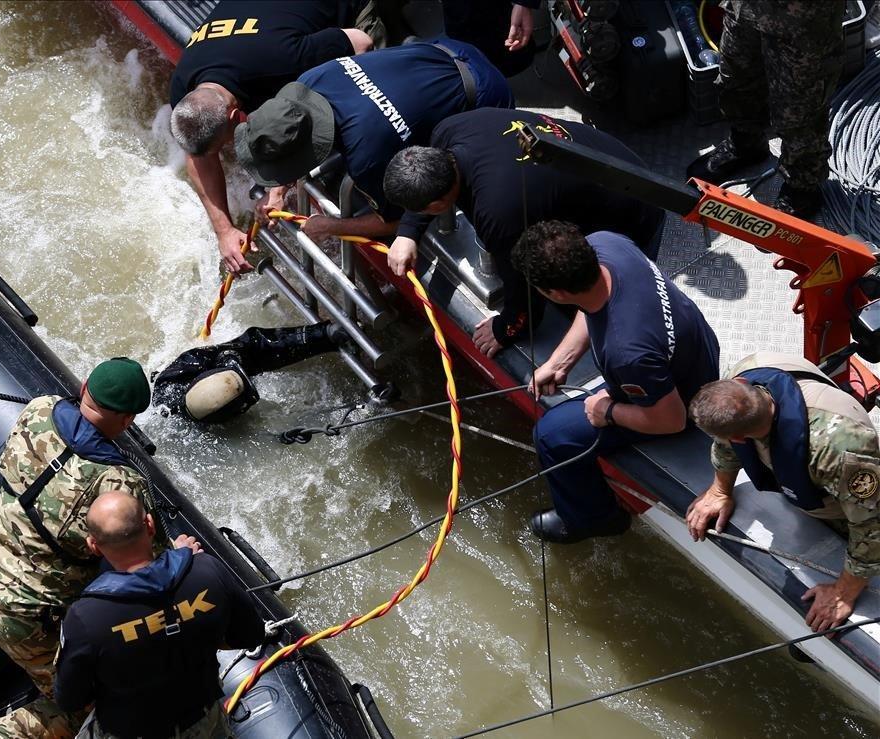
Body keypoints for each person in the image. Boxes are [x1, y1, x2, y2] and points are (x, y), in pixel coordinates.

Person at [0, 358, 168, 739]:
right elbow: (147, 562)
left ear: (82, 390)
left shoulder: (40, 408)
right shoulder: (119, 484)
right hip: (33, 615)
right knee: (94, 703)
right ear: (127, 420)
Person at [382, 108, 664, 356]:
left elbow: (525, 289)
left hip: (634, 208)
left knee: (585, 294)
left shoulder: (499, 214)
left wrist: (507, 329)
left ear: (436, 205)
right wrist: (408, 231)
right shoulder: (451, 128)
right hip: (619, 159)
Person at [515, 221, 720, 543]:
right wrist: (560, 361)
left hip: (685, 399)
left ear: (555, 294)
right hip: (696, 349)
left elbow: (672, 420)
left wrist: (608, 410)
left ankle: (593, 518)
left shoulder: (626, 353)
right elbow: (590, 304)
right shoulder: (607, 243)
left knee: (552, 436)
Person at [237, 37, 514, 257]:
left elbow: (397, 220)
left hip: (486, 93)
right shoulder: (310, 80)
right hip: (448, 47)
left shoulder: (366, 157)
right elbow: (292, 128)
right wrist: (278, 190)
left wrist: (331, 227)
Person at [170, 1, 378, 275]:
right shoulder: (185, 85)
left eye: (225, 144)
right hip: (272, 20)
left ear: (235, 117)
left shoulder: (282, 59)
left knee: (373, 88)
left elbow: (362, 42)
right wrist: (224, 231)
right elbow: (198, 155)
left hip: (346, 18)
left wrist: (279, 184)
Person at [687, 351, 879, 632]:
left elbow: (872, 524)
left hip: (846, 505)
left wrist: (843, 592)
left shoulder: (839, 446)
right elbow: (725, 444)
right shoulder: (744, 375)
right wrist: (720, 490)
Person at [55, 491, 265, 739]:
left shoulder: (85, 618)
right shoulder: (207, 571)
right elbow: (251, 635)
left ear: (94, 546)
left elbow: (70, 699)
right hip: (203, 721)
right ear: (151, 524)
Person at [685, 0, 845, 218]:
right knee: (736, 77)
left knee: (799, 108)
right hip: (746, 8)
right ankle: (746, 144)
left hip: (802, 19)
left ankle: (802, 187)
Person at [153, 322, 341, 422]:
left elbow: (253, 343)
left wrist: (323, 333)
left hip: (198, 375)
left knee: (250, 350)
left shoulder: (187, 367)